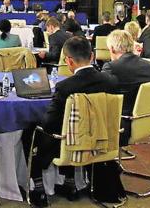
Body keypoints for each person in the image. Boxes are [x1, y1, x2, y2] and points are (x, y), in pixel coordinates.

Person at [28, 37, 117, 206]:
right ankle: (71, 183)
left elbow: (49, 124)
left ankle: (38, 188)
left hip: (70, 142)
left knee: (32, 131)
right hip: (101, 138)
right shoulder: (111, 81)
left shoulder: (65, 87)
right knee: (70, 128)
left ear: (68, 61)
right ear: (92, 56)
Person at [102, 30, 150, 144]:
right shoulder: (149, 66)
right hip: (148, 117)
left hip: (122, 121)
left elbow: (101, 91)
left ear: (112, 49)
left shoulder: (111, 67)